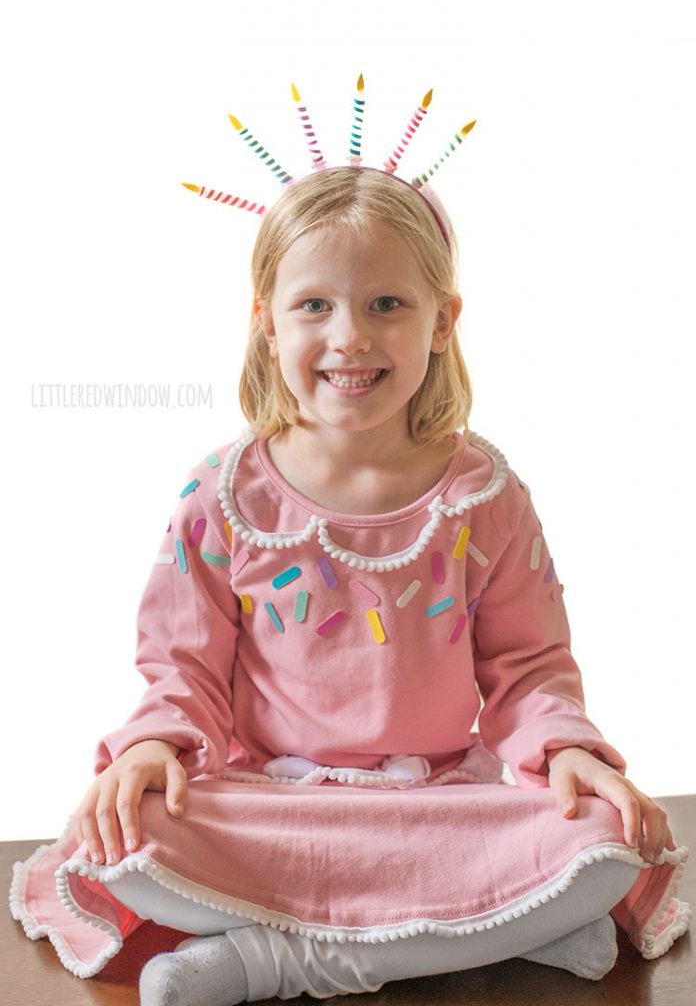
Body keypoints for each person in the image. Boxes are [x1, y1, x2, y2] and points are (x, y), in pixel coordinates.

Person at [10, 164, 689, 1006]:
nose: (350, 338)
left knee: (604, 842)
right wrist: (153, 747)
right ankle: (514, 931)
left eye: (387, 305)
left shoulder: (485, 496)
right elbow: (179, 669)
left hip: (438, 809)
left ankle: (269, 963)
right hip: (273, 808)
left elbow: (530, 669)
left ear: (443, 322)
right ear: (265, 323)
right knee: (128, 834)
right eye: (314, 306)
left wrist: (572, 755)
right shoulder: (222, 496)